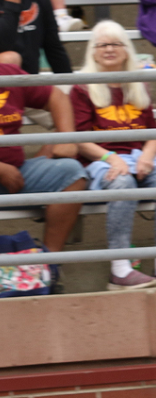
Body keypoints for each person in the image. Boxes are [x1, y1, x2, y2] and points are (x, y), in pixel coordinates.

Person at [71, 20, 156, 290]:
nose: (109, 49)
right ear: (93, 51)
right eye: (102, 45)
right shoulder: (82, 88)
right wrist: (112, 158)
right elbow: (79, 139)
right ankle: (120, 269)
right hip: (100, 163)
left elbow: (153, 135)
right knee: (124, 183)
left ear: (126, 50)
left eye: (115, 44)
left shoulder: (137, 86)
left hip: (138, 159)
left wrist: (147, 155)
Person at [0, 62, 86, 258]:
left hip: (18, 172)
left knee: (71, 172)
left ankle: (48, 264)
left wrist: (66, 137)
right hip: (6, 172)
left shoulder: (7, 73)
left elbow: (56, 96)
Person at [0, 0, 71, 75]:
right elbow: (3, 43)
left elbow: (53, 46)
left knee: (63, 89)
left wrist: (70, 86)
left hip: (30, 80)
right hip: (5, 82)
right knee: (9, 58)